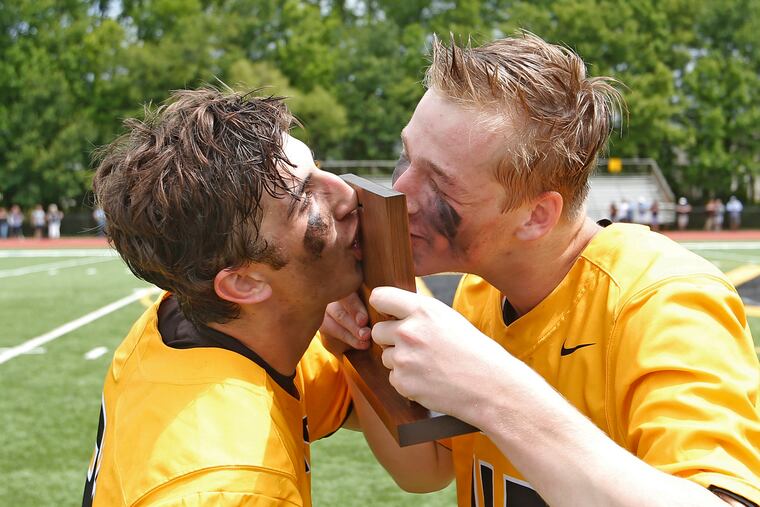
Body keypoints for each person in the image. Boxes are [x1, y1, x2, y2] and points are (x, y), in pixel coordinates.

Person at [323, 33, 760, 507]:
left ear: (536, 216)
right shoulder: (480, 291)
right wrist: (358, 348)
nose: (402, 192)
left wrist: (496, 393)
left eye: (441, 184)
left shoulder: (664, 302)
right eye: (407, 155)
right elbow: (427, 470)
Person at [82, 87, 366, 507]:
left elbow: (345, 403)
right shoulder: (235, 488)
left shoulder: (195, 324)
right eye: (304, 200)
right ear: (244, 284)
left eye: (319, 168)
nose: (347, 194)